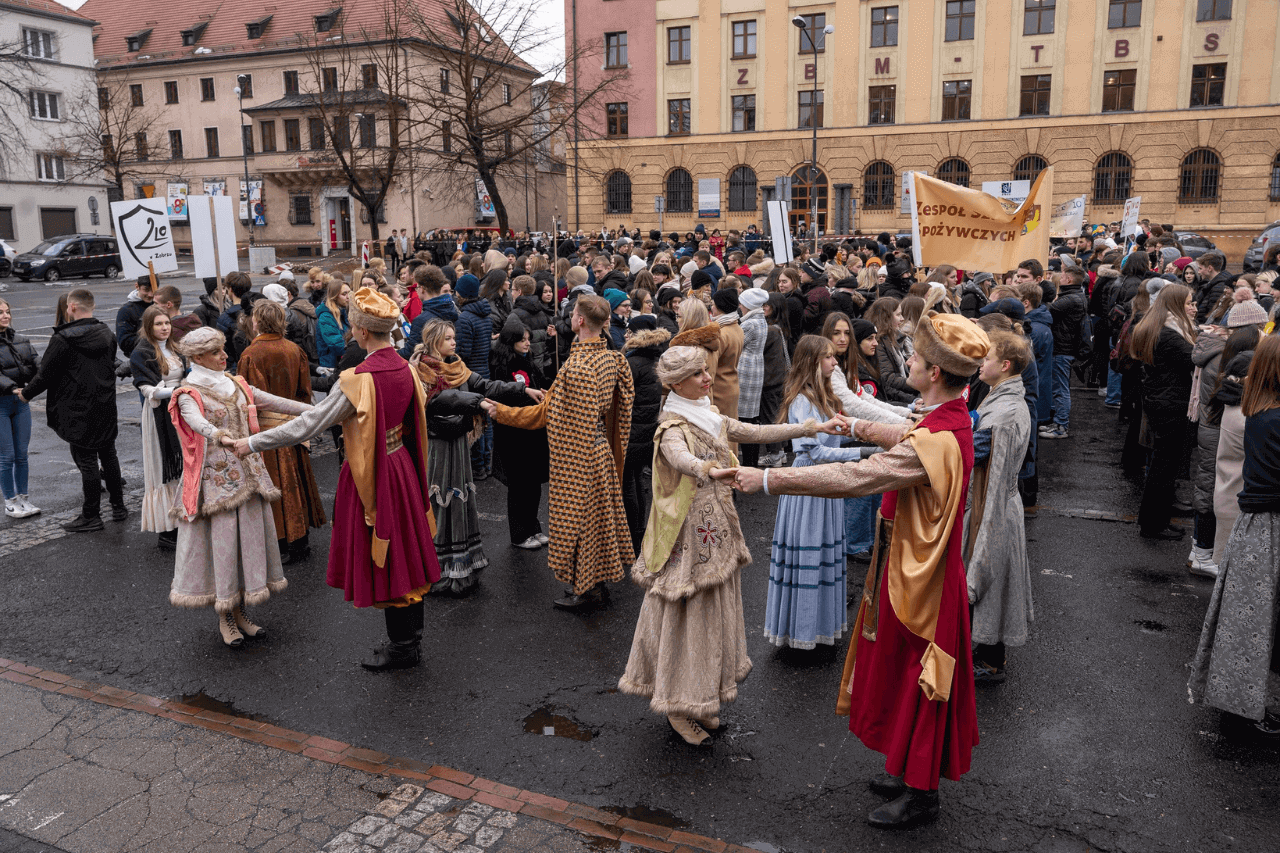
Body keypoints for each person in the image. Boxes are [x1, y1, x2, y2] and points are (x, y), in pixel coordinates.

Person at [731, 291, 988, 828]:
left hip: (924, 582)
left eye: (915, 358)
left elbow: (856, 477)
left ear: (935, 371)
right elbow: (907, 433)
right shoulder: (947, 417)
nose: (907, 361)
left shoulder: (939, 438)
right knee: (902, 672)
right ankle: (905, 767)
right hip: (911, 570)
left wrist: (769, 478)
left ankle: (922, 792)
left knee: (923, 678)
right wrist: (855, 426)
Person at [619, 345, 847, 744]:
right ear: (675, 384)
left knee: (710, 618)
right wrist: (709, 468)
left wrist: (812, 428)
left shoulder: (707, 415)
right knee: (684, 621)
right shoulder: (673, 425)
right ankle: (677, 705)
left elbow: (754, 431)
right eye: (698, 375)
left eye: (706, 371)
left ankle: (701, 698)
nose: (708, 379)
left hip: (717, 534)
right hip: (686, 542)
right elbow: (678, 458)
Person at [238, 288, 441, 669]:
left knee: (390, 561)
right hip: (402, 467)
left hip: (374, 473)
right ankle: (409, 642)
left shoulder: (359, 379)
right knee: (407, 556)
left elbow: (309, 424)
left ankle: (402, 648)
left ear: (362, 332)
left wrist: (251, 442)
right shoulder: (405, 367)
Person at [483, 294, 635, 610]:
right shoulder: (611, 358)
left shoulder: (579, 366)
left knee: (581, 525)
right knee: (596, 524)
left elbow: (547, 416)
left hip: (580, 458)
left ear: (579, 320)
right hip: (598, 451)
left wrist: (503, 413)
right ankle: (594, 584)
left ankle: (588, 589)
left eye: (573, 314)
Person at [168, 328, 305, 647]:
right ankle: (225, 616)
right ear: (198, 357)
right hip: (216, 487)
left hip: (250, 479)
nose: (224, 356)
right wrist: (219, 435)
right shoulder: (189, 392)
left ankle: (241, 612)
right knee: (224, 550)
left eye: (223, 350)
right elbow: (196, 421)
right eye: (216, 352)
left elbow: (271, 401)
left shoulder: (235, 383)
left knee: (247, 545)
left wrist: (317, 413)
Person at [1189, 334, 1280, 734]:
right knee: (1255, 621)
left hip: (1251, 521)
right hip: (1264, 523)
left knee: (1247, 621)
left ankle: (1238, 703)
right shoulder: (1268, 417)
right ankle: (1243, 708)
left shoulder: (1257, 409)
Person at [765, 335, 876, 650]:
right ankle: (801, 632)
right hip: (808, 483)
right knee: (809, 552)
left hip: (825, 482)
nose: (834, 362)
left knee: (823, 551)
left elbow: (832, 446)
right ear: (813, 361)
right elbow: (816, 454)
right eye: (828, 357)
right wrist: (864, 454)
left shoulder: (824, 396)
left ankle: (817, 628)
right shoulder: (803, 399)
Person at [417, 318, 536, 595]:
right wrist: (477, 402)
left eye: (453, 337)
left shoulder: (457, 366)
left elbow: (485, 385)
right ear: (435, 340)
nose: (454, 342)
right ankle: (438, 569)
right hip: (437, 445)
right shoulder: (422, 370)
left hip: (458, 440)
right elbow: (438, 401)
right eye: (448, 338)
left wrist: (521, 389)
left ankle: (462, 567)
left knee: (459, 499)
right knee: (440, 500)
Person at [19, 289, 126, 533]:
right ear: (93, 305)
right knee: (108, 454)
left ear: (72, 307)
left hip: (77, 409)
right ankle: (119, 507)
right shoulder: (106, 333)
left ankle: (91, 515)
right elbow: (110, 363)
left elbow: (46, 374)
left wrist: (26, 394)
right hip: (105, 404)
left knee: (87, 460)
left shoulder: (63, 339)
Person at [963, 330, 1034, 683]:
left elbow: (970, 451)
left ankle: (991, 662)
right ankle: (986, 654)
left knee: (993, 582)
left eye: (986, 358)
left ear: (1004, 366)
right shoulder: (1001, 397)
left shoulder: (1004, 411)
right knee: (996, 581)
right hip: (995, 503)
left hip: (995, 510)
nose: (980, 363)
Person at [237, 300, 327, 564]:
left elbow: (247, 400)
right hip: (294, 427)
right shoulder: (294, 349)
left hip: (266, 432)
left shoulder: (251, 355)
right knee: (296, 481)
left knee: (275, 486)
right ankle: (301, 541)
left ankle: (282, 544)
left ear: (256, 321)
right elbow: (304, 393)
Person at [1131, 284, 1197, 540]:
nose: (1194, 308)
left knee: (1163, 467)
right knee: (1163, 468)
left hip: (1162, 401)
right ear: (1176, 305)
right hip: (1170, 404)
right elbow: (1194, 358)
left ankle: (1157, 520)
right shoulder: (1169, 335)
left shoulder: (1160, 327)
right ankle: (1153, 524)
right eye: (1189, 303)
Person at [491, 316, 552, 550]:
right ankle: (519, 534)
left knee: (534, 482)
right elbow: (504, 395)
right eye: (522, 340)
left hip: (533, 429)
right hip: (514, 432)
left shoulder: (528, 361)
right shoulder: (501, 364)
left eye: (528, 339)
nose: (527, 343)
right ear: (511, 341)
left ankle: (533, 527)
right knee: (519, 484)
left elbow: (540, 381)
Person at [131, 306, 186, 550]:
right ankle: (167, 530)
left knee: (183, 468)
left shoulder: (176, 348)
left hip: (182, 410)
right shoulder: (141, 352)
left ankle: (182, 520)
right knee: (164, 469)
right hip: (158, 414)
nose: (164, 327)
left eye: (167, 323)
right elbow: (147, 389)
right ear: (148, 327)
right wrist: (178, 391)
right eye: (158, 324)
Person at [622, 314, 670, 555]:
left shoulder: (633, 363)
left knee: (628, 483)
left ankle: (633, 534)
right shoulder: (654, 358)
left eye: (630, 331)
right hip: (646, 429)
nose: (626, 335)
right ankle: (639, 531)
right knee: (638, 482)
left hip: (632, 431)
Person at [0, 297, 40, 518]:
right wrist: (13, 387)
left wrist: (45, 378)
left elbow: (38, 363)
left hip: (21, 403)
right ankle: (10, 501)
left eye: (7, 312)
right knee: (6, 456)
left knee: (22, 455)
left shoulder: (22, 339)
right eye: (0, 312)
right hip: (2, 404)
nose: (5, 316)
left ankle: (24, 499)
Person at [1040, 267, 1088, 440]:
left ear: (1068, 279)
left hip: (1063, 349)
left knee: (1061, 389)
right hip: (1065, 348)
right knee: (1060, 387)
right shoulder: (1075, 296)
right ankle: (1058, 422)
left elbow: (1047, 311)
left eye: (1061, 276)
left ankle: (1061, 425)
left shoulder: (1069, 299)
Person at [735, 288, 769, 468]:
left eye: (742, 303)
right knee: (751, 419)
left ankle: (749, 464)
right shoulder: (760, 320)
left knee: (744, 421)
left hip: (746, 372)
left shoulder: (749, 324)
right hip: (755, 370)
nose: (739, 306)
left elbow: (736, 344)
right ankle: (752, 462)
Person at [317, 278, 352, 370]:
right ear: (335, 296)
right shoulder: (326, 317)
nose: (348, 297)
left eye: (349, 293)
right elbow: (337, 345)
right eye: (344, 294)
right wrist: (356, 351)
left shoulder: (344, 311)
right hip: (332, 366)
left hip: (343, 362)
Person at [116, 276, 154, 358]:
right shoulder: (126, 311)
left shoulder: (160, 305)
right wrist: (152, 339)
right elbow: (124, 343)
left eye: (153, 289)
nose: (150, 294)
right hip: (140, 358)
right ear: (137, 286)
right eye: (146, 290)